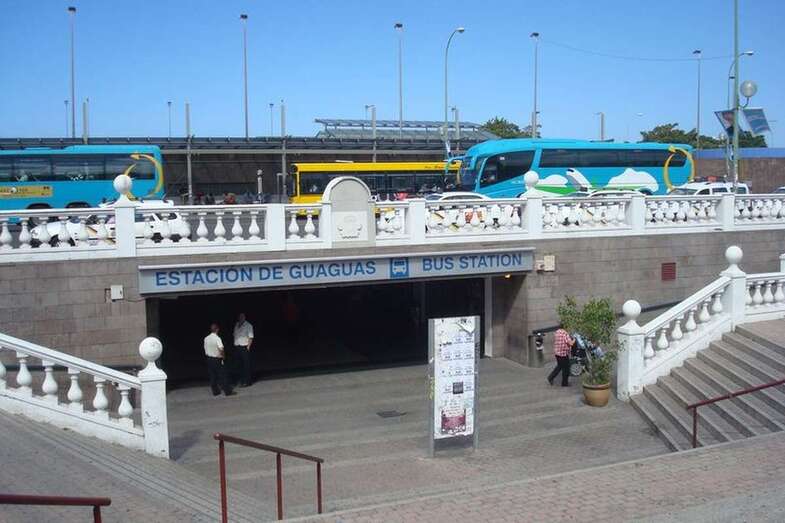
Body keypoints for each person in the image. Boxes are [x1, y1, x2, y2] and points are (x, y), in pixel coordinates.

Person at [204, 323, 234, 396]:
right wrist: (223, 356)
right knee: (223, 375)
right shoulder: (217, 338)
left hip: (209, 359)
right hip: (217, 359)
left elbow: (205, 349)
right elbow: (221, 349)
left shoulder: (206, 338)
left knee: (212, 376)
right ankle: (227, 391)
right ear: (217, 329)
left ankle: (215, 392)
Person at [233, 312, 254, 387]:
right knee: (239, 365)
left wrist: (248, 347)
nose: (240, 318)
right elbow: (235, 335)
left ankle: (247, 381)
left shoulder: (248, 325)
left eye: (242, 316)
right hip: (237, 347)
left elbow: (251, 337)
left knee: (246, 365)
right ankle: (241, 380)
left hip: (244, 347)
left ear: (244, 317)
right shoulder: (236, 324)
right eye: (239, 316)